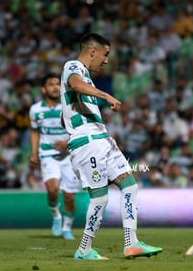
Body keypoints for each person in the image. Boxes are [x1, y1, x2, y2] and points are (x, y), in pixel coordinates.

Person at [60, 33, 162, 260]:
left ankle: (131, 243)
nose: (106, 60)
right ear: (92, 51)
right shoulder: (73, 66)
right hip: (88, 144)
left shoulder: (85, 75)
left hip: (103, 140)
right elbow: (75, 84)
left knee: (129, 186)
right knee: (100, 199)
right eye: (105, 55)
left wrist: (67, 114)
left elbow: (69, 101)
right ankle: (84, 249)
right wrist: (105, 96)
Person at [29, 73, 82, 240]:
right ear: (44, 89)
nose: (55, 87)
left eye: (57, 84)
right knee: (52, 189)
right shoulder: (36, 110)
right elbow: (34, 131)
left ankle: (67, 228)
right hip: (47, 155)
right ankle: (56, 217)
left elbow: (81, 130)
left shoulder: (71, 107)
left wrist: (68, 143)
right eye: (51, 84)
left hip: (70, 155)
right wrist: (33, 152)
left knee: (69, 196)